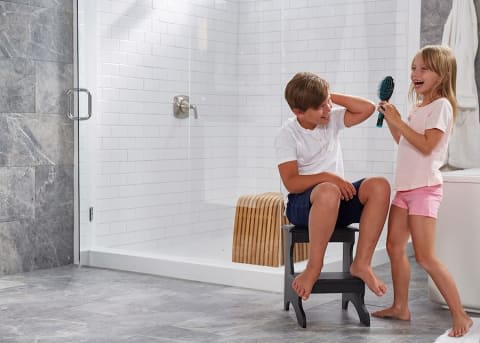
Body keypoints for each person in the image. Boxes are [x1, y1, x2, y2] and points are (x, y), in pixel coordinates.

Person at [371, 45, 473, 337]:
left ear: (441, 76)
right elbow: (404, 142)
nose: (416, 74)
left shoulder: (441, 106)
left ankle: (461, 314)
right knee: (393, 247)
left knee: (426, 257)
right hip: (404, 188)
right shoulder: (419, 108)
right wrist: (394, 120)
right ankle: (400, 306)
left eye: (423, 69)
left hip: (424, 189)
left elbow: (427, 146)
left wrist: (399, 122)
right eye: (413, 68)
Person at [275, 72, 391, 301]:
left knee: (380, 186)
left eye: (327, 103)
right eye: (319, 107)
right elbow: (291, 182)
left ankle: (362, 263)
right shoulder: (287, 135)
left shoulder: (329, 118)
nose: (327, 110)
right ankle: (313, 268)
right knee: (328, 190)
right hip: (303, 206)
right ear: (298, 111)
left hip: (336, 202)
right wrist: (330, 177)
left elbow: (367, 108)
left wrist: (327, 97)